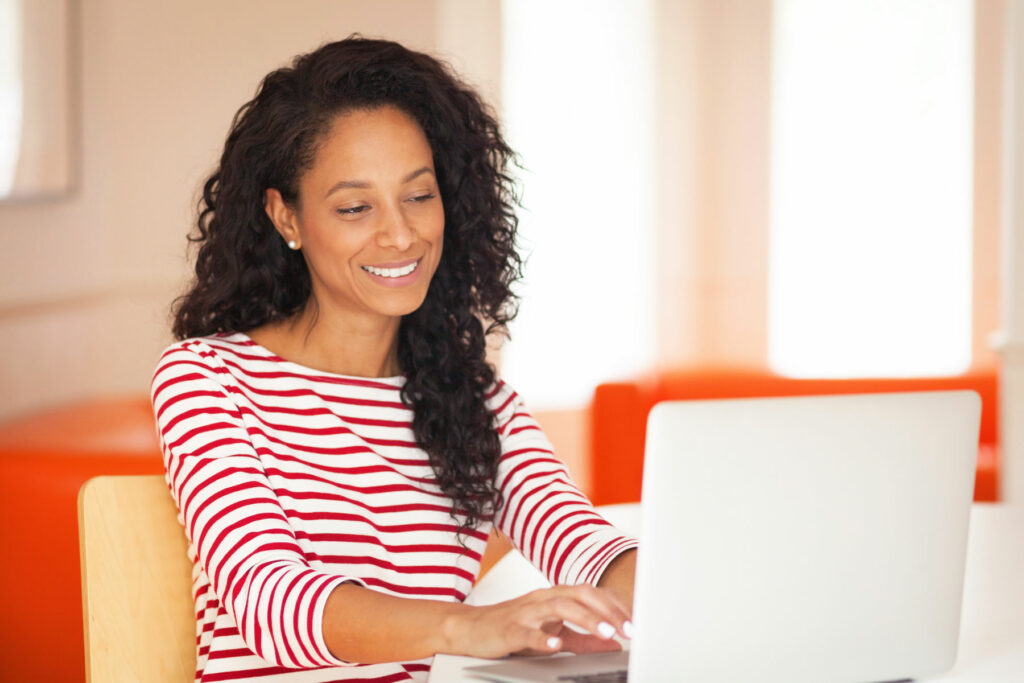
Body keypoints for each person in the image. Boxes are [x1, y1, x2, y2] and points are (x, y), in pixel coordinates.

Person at [151, 36, 637, 682]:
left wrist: (652, 594)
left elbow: (585, 542)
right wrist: (469, 626)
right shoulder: (206, 380)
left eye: (419, 194)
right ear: (285, 216)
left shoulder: (477, 401)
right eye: (355, 207)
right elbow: (268, 598)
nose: (401, 234)